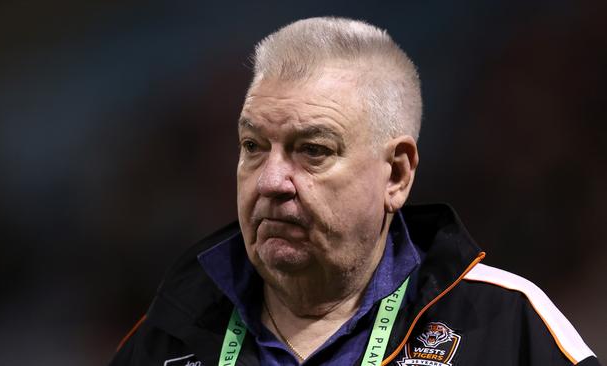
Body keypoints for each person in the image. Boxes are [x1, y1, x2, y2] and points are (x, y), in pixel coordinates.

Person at [110, 17, 600, 366]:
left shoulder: (505, 324)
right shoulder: (168, 334)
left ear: (397, 175)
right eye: (253, 146)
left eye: (313, 150)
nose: (271, 180)